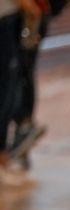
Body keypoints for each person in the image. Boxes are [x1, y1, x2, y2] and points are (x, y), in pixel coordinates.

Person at [9, 0, 70, 168]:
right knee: (18, 75)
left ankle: (23, 127)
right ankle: (23, 127)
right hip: (23, 15)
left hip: (31, 16)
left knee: (20, 74)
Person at [0, 0, 36, 186]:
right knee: (4, 95)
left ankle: (3, 161)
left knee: (8, 95)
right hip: (4, 19)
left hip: (11, 18)